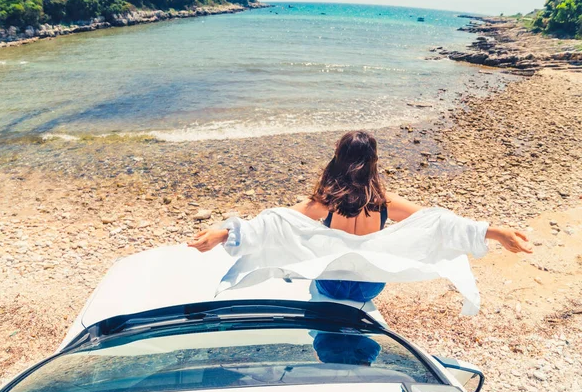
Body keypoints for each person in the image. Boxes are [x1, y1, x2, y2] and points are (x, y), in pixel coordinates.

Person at [188, 130, 532, 302]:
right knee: (357, 316)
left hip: (331, 281)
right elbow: (438, 222)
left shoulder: (325, 203)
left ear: (337, 159)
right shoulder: (383, 203)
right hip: (370, 284)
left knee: (322, 311)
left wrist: (224, 233)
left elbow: (273, 223)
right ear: (374, 162)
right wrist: (494, 232)